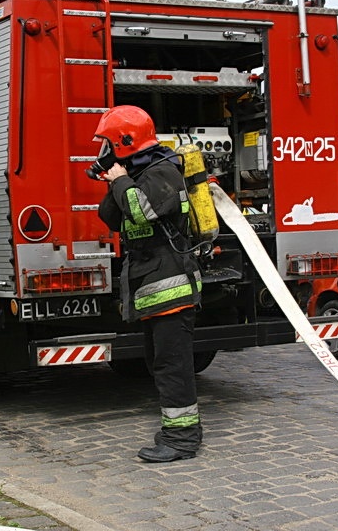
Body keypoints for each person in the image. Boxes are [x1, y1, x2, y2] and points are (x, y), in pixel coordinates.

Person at [94, 105, 204, 463]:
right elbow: (110, 217)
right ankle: (177, 430)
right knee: (159, 363)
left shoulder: (163, 171)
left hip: (171, 285)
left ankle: (182, 439)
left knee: (173, 365)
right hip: (153, 287)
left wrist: (121, 181)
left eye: (108, 143)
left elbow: (142, 211)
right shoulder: (137, 176)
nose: (104, 150)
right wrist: (115, 181)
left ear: (125, 141)